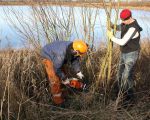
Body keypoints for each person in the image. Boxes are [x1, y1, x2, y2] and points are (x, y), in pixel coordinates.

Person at [107, 9, 142, 106]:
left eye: (124, 20)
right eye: (121, 20)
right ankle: (120, 94)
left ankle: (130, 98)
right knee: (119, 75)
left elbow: (122, 41)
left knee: (126, 76)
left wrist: (111, 37)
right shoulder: (125, 22)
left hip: (131, 54)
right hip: (123, 53)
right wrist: (112, 25)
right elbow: (120, 27)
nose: (122, 22)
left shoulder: (133, 28)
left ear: (129, 17)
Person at [41, 39, 88, 107]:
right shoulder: (61, 53)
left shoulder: (74, 48)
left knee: (65, 76)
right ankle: (58, 102)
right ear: (75, 51)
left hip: (57, 57)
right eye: (79, 54)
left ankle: (64, 96)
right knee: (55, 79)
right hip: (48, 55)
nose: (80, 56)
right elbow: (57, 69)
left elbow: (75, 61)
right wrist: (64, 78)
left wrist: (78, 72)